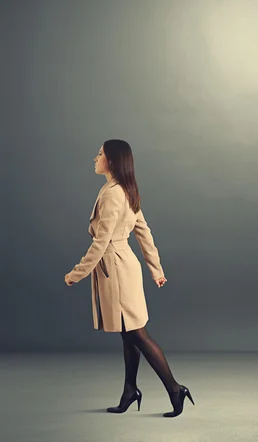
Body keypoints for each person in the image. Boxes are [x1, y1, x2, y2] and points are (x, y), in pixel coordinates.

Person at [64, 139, 194, 418]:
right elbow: (144, 232)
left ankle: (174, 388)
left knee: (137, 334)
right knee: (128, 334)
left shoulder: (113, 194)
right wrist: (156, 270)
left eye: (99, 154)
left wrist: (77, 273)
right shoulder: (123, 190)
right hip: (123, 266)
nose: (95, 157)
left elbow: (101, 242)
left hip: (117, 270)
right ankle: (129, 390)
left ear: (110, 160)